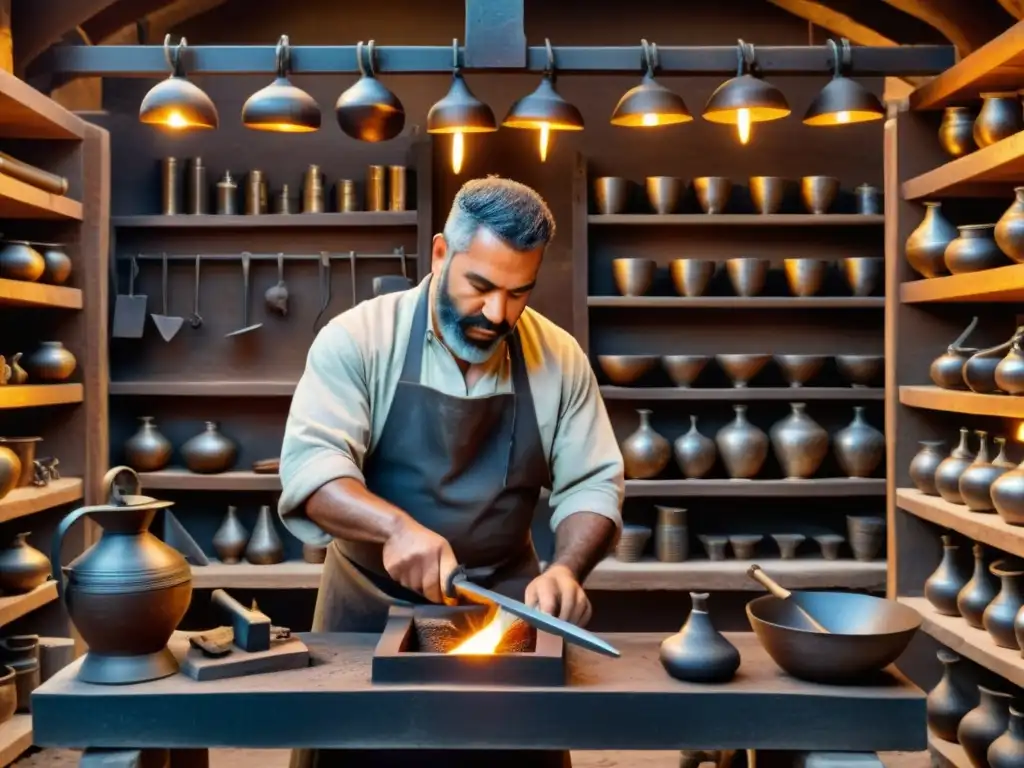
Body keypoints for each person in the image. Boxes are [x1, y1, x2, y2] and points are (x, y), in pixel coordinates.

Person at [279, 176, 625, 768]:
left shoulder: (559, 357)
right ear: (441, 253)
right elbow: (313, 470)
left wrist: (568, 570)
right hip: (366, 614)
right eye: (481, 285)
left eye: (519, 293)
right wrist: (394, 530)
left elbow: (593, 482)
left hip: (507, 611)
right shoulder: (359, 339)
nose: (497, 312)